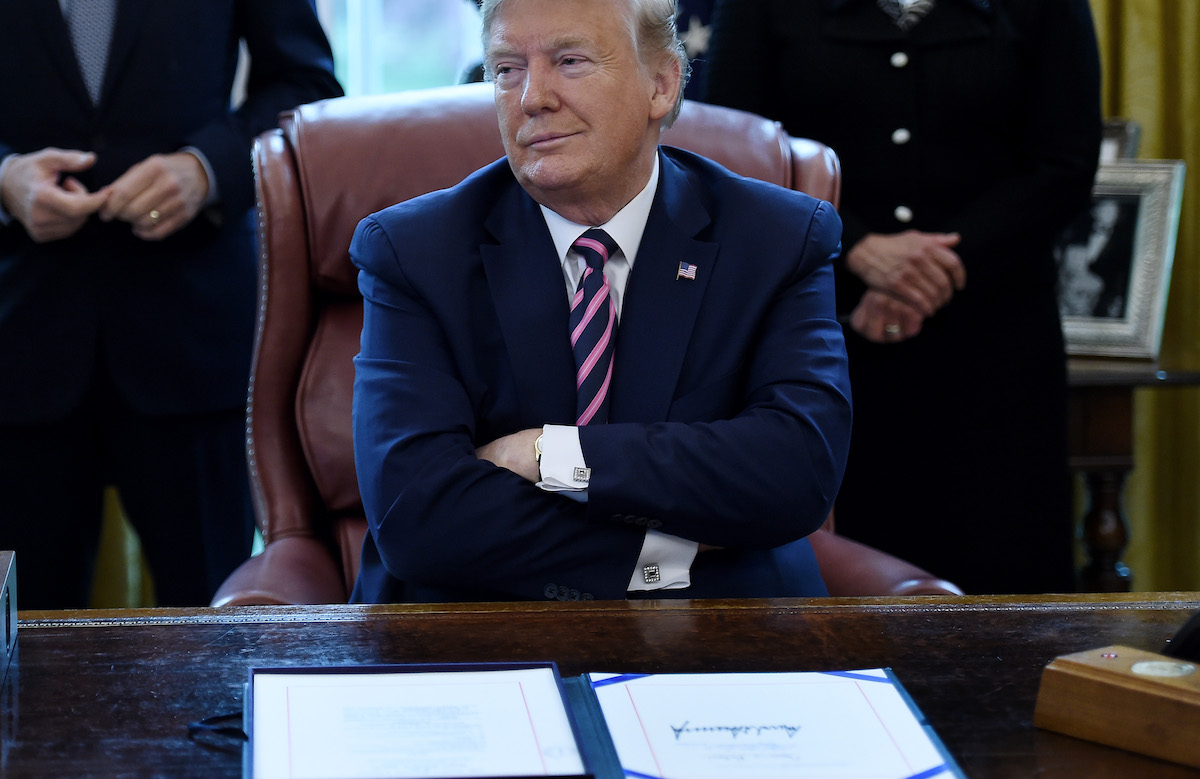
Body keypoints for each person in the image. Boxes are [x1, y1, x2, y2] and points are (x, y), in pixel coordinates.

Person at [350, 0, 852, 604]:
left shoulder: (775, 240)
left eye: (570, 61)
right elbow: (419, 519)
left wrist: (550, 454)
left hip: (719, 638)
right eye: (507, 69)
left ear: (661, 85)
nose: (532, 96)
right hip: (477, 629)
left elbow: (796, 472)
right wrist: (665, 556)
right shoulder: (413, 252)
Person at [703, 0, 1102, 594]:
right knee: (836, 578)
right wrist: (859, 249)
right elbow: (734, 151)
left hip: (995, 343)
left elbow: (1065, 166)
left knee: (1004, 571)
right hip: (821, 332)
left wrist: (933, 268)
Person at [0, 1, 342, 608]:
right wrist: (3, 180)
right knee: (22, 648)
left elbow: (306, 84)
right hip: (22, 338)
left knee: (214, 638)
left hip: (193, 333)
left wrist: (207, 168)